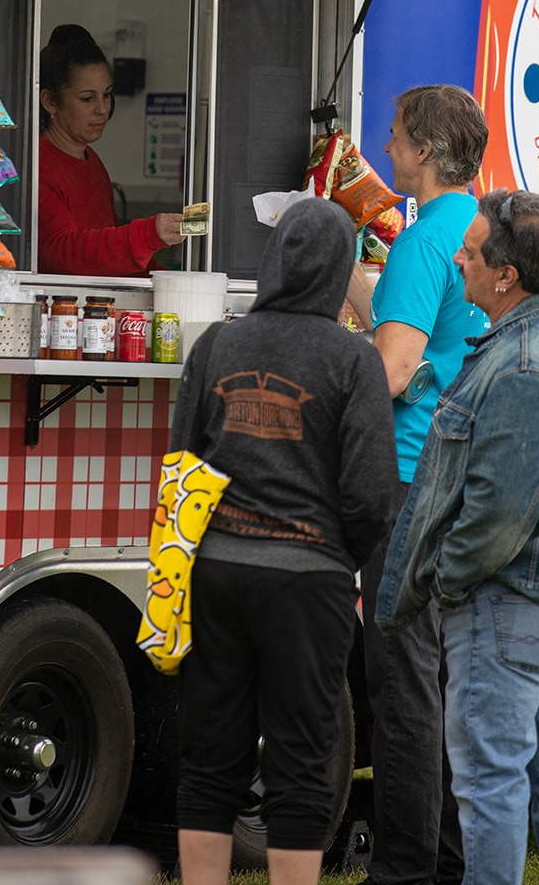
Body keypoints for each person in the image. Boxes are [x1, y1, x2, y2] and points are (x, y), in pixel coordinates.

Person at [377, 189, 539, 885]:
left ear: (505, 275)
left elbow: (496, 516)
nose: (458, 255)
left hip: (507, 601)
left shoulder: (521, 364)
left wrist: (450, 583)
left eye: (472, 249)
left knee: (489, 783)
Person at [173, 198, 398, 885]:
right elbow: (369, 494)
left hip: (215, 573)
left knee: (210, 756)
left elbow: (183, 459)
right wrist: (336, 556)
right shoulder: (353, 360)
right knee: (302, 760)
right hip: (309, 581)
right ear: (337, 272)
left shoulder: (216, 342)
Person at [345, 84, 489, 885]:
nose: (388, 148)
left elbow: (393, 371)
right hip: (459, 473)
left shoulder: (418, 240)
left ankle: (403, 868)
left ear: (426, 151)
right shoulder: (476, 229)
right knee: (437, 676)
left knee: (400, 681)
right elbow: (439, 340)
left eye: (397, 137)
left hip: (402, 475)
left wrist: (332, 362)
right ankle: (445, 856)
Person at [37, 23, 183, 274]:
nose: (102, 108)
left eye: (107, 94)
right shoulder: (38, 165)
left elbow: (108, 257)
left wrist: (170, 280)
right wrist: (148, 234)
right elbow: (61, 251)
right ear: (50, 101)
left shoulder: (91, 160)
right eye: (87, 98)